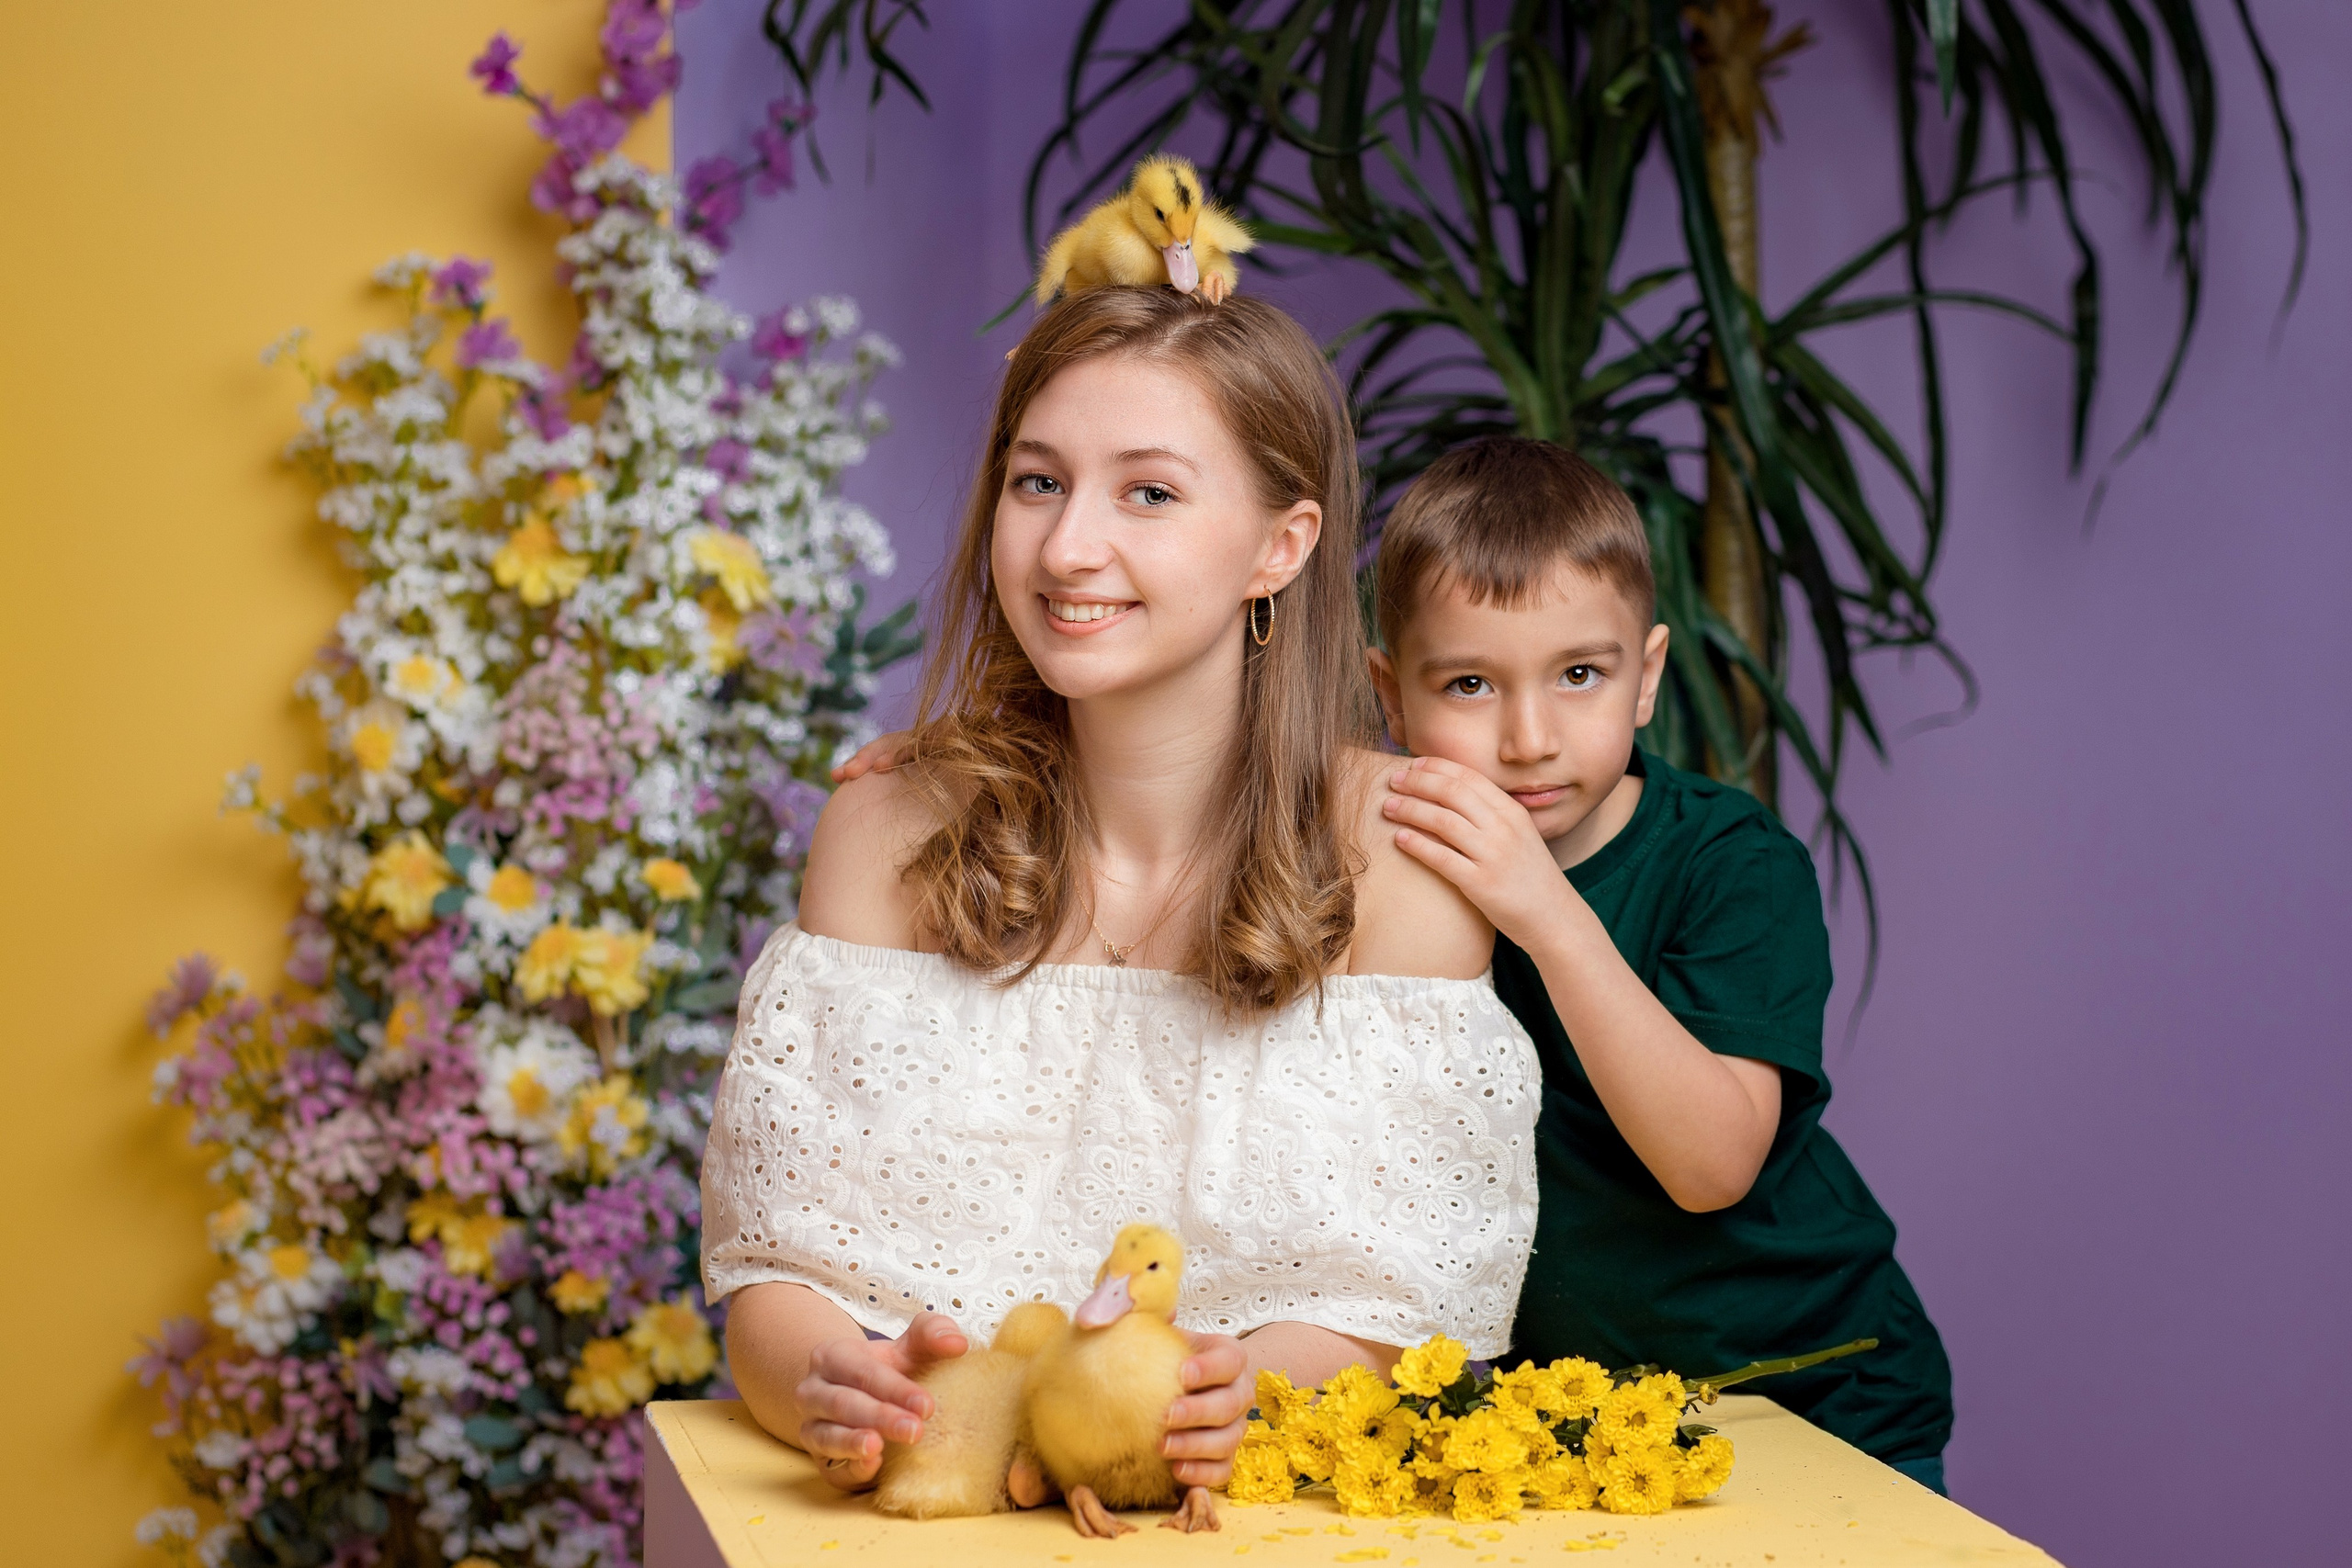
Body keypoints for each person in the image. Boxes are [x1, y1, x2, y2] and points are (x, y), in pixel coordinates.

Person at [702, 289, 1542, 1506]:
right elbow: (777, 1269)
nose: (1066, 547)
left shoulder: (1404, 856)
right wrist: (835, 1379)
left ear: (1282, 543)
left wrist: (1245, 1391)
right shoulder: (881, 830)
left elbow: (1405, 1297)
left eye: (1147, 491)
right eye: (1038, 481)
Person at [1364, 436, 1954, 1491]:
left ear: (1646, 679)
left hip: (1808, 1388)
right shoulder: (1387, 873)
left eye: (1579, 674)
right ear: (1391, 696)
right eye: (1468, 684)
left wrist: (1545, 912)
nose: (1529, 737)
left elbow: (1711, 1165)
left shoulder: (1731, 862)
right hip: (1573, 1422)